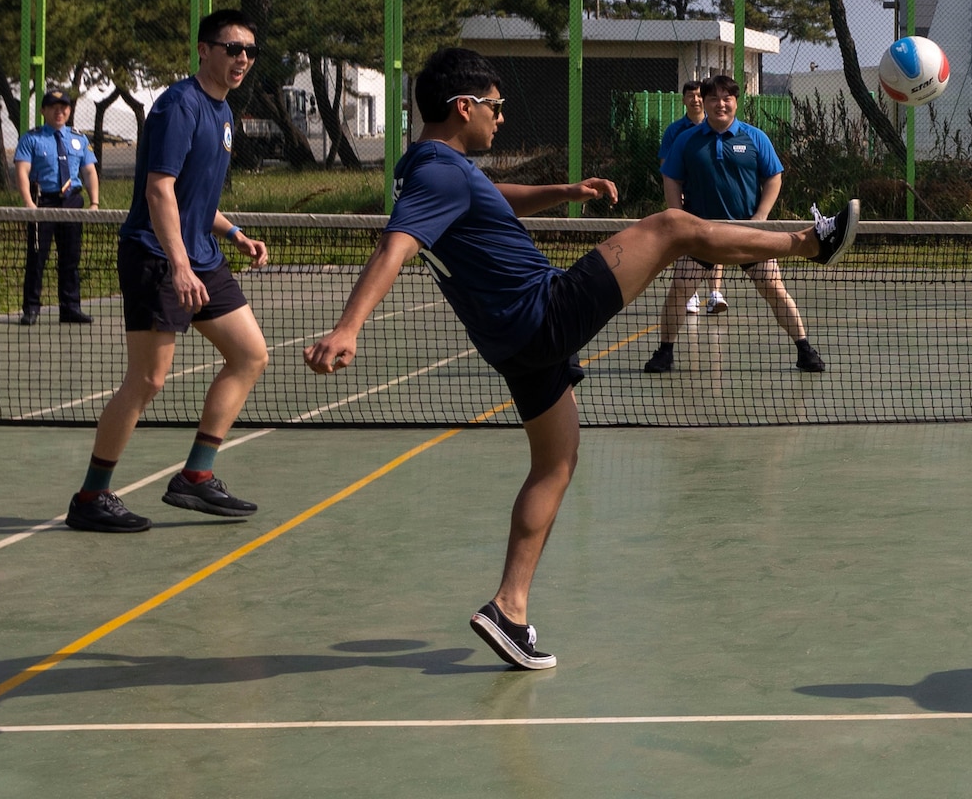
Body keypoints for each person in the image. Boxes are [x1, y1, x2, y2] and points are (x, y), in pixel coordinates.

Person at [302, 48, 857, 670]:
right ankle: (810, 241)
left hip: (513, 343)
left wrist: (565, 191)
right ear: (464, 108)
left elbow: (491, 197)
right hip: (544, 312)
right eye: (496, 106)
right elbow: (396, 244)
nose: (501, 118)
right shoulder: (436, 173)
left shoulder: (429, 166)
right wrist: (348, 326)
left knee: (556, 463)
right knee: (672, 226)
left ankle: (509, 609)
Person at [64, 9, 272, 533]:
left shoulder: (222, 113)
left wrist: (234, 234)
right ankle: (91, 495)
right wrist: (179, 266)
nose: (242, 58)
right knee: (148, 379)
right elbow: (159, 190)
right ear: (204, 50)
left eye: (249, 51)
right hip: (158, 258)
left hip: (201, 253)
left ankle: (195, 478)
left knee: (250, 355)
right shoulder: (180, 106)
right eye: (232, 48)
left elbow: (194, 196)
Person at [645, 73, 825, 373]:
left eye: (727, 98)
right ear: (704, 101)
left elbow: (773, 176)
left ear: (736, 102)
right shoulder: (686, 140)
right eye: (713, 98)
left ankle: (805, 349)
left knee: (774, 288)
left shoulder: (755, 138)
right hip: (700, 235)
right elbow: (671, 177)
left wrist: (760, 218)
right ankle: (665, 351)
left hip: (748, 234)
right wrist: (678, 218)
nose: (720, 104)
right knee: (679, 288)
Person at [14, 89, 101, 325]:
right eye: (53, 106)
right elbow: (22, 171)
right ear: (43, 111)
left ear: (69, 111)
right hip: (43, 202)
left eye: (63, 107)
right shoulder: (31, 138)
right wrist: (29, 204)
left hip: (72, 201)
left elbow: (89, 171)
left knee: (71, 257)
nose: (59, 111)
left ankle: (70, 307)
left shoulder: (79, 139)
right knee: (37, 257)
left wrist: (94, 202)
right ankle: (31, 308)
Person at [659, 78, 727, 316]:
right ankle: (691, 294)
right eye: (691, 95)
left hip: (712, 200)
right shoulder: (675, 131)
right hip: (686, 201)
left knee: (716, 242)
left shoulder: (720, 127)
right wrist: (677, 200)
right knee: (685, 244)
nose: (695, 99)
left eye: (699, 95)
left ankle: (715, 294)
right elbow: (667, 167)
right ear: (684, 100)